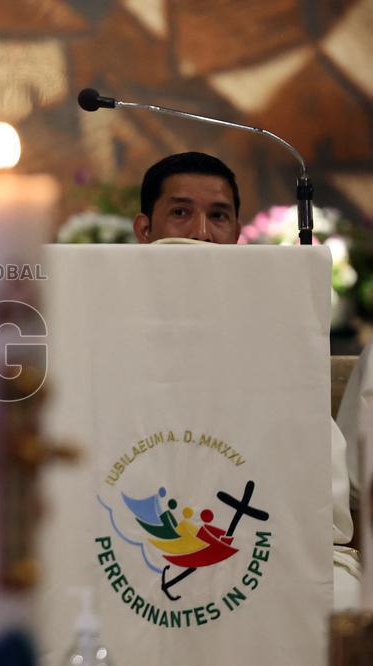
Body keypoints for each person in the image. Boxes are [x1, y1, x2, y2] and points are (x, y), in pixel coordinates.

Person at [134, 151, 360, 608]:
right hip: (130, 537)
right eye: (180, 212)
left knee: (343, 599)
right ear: (144, 230)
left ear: (237, 233)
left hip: (267, 544)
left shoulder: (277, 333)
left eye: (219, 216)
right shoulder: (103, 322)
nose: (201, 233)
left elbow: (325, 510)